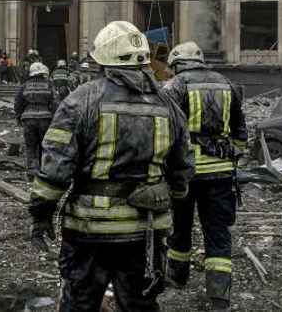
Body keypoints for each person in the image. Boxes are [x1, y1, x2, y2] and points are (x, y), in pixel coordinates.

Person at [28, 21, 194, 312]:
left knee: (79, 303)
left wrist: (41, 214)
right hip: (145, 230)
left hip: (88, 230)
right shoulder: (168, 104)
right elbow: (183, 167)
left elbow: (55, 169)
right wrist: (176, 199)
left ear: (102, 60)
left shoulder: (81, 100)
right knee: (139, 304)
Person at [161, 41, 247, 312]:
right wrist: (231, 154)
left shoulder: (175, 86)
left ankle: (177, 276)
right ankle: (219, 297)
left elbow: (165, 129)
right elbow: (241, 133)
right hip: (221, 173)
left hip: (186, 173)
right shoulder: (227, 84)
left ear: (177, 64)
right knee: (218, 233)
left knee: (181, 226)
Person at [14, 62, 59, 181]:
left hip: (28, 119)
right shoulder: (49, 85)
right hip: (45, 118)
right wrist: (54, 116)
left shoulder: (24, 86)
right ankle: (43, 170)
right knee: (44, 145)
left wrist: (19, 116)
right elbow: (55, 102)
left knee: (30, 146)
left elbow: (17, 104)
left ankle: (32, 172)